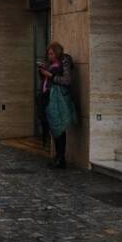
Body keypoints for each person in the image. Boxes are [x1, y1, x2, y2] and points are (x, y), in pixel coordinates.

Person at [38, 41, 76, 169]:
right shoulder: (50, 64)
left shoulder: (63, 63)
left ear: (57, 53)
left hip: (57, 100)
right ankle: (58, 156)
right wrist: (43, 71)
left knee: (59, 128)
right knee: (53, 128)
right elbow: (46, 80)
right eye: (48, 54)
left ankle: (61, 158)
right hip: (48, 98)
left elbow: (67, 80)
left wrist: (50, 75)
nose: (49, 56)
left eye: (51, 54)